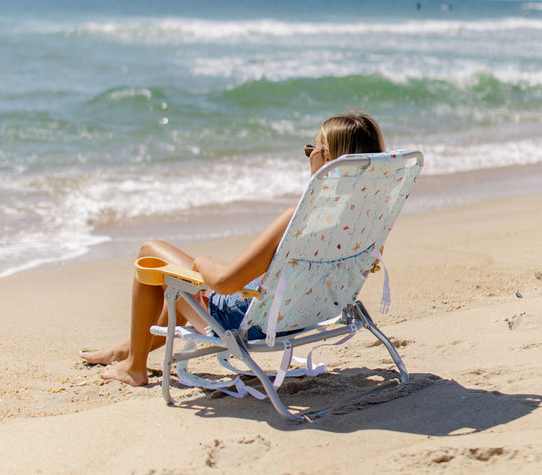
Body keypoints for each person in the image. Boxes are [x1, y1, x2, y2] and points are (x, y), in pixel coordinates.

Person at [81, 111, 385, 386]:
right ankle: (129, 349)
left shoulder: (300, 218)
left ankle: (135, 366)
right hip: (307, 313)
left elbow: (225, 284)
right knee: (182, 290)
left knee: (151, 252)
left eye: (311, 149)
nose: (308, 157)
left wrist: (202, 261)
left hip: (246, 321)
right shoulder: (368, 218)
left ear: (327, 159)